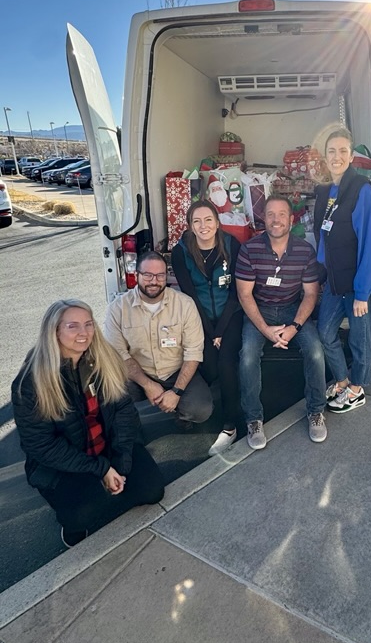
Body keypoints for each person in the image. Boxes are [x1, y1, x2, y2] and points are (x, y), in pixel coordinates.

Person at [11, 300, 164, 548]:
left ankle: (108, 483)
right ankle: (73, 516)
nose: (83, 333)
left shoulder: (103, 360)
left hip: (106, 446)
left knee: (152, 491)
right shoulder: (31, 382)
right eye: (72, 326)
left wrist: (120, 461)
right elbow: (41, 445)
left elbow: (125, 411)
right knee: (82, 513)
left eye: (88, 324)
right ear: (55, 331)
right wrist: (101, 469)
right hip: (65, 463)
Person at [235, 195, 327, 449]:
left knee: (316, 352)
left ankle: (316, 411)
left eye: (282, 214)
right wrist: (265, 330)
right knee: (248, 357)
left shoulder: (304, 251)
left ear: (291, 218)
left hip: (291, 310)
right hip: (259, 311)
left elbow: (310, 294)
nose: (276, 220)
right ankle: (254, 419)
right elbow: (244, 294)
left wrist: (294, 327)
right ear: (264, 218)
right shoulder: (249, 249)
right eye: (271, 214)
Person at [314, 128, 371, 414]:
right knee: (325, 331)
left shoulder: (362, 189)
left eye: (343, 151)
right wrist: (320, 274)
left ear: (352, 156)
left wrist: (363, 292)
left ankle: (357, 389)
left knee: (360, 338)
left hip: (356, 284)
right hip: (334, 281)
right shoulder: (325, 191)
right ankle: (343, 379)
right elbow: (322, 235)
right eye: (332, 151)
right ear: (325, 157)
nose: (337, 156)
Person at [104, 251, 213, 430]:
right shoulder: (118, 309)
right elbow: (118, 354)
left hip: (175, 371)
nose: (154, 281)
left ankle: (179, 412)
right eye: (147, 275)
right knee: (110, 396)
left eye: (160, 275)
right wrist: (148, 385)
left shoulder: (184, 304)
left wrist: (177, 392)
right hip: (137, 374)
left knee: (201, 410)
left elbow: (193, 351)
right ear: (136, 275)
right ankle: (128, 429)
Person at [172, 199, 243, 456]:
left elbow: (237, 292)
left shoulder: (232, 245)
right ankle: (193, 405)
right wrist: (210, 334)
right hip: (198, 317)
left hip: (230, 315)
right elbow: (189, 294)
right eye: (197, 221)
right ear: (190, 225)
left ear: (217, 221)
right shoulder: (181, 252)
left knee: (226, 363)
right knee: (209, 365)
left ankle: (230, 425)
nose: (203, 226)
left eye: (208, 220)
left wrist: (221, 330)